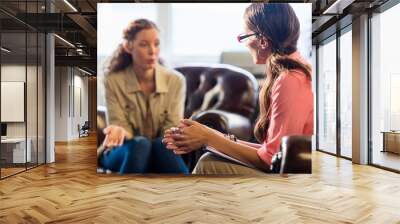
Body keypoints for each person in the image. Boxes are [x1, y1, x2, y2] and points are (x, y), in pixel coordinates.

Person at [163, 3, 313, 175]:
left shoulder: (289, 80)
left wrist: (207, 137)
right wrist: (210, 135)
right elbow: (270, 150)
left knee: (208, 164)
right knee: (210, 159)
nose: (245, 44)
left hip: (293, 177)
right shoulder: (297, 71)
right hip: (293, 167)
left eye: (245, 37)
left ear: (263, 41)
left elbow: (271, 159)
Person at [98, 19, 188, 174]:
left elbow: (170, 129)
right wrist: (119, 131)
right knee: (141, 144)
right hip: (121, 149)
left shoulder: (176, 80)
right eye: (144, 44)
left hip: (162, 149)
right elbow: (119, 124)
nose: (152, 51)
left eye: (156, 44)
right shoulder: (113, 80)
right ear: (128, 46)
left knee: (161, 146)